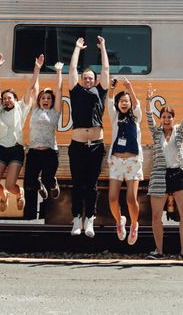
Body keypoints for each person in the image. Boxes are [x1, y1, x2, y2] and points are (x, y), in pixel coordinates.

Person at [146, 81, 183, 264]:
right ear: (161, 118)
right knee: (156, 215)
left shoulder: (178, 132)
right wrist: (148, 99)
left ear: (173, 118)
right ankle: (159, 250)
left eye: (169, 116)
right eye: (164, 116)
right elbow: (148, 116)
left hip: (179, 173)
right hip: (160, 175)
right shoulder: (155, 132)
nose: (166, 119)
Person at [67, 36, 111, 237]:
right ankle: (77, 218)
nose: (87, 79)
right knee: (78, 183)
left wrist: (102, 48)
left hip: (95, 145)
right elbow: (72, 70)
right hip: (77, 144)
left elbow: (106, 70)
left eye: (90, 78)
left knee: (92, 184)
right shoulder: (75, 91)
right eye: (84, 77)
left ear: (95, 80)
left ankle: (90, 218)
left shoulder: (100, 91)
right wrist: (76, 48)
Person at [0, 53, 34, 211]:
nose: (6, 100)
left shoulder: (22, 108)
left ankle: (19, 192)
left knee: (10, 184)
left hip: (16, 149)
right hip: (1, 149)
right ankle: (3, 196)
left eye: (10, 98)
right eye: (4, 98)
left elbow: (30, 87)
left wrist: (37, 68)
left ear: (15, 99)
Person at [23, 59, 65, 221]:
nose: (45, 100)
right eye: (43, 97)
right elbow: (34, 87)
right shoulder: (34, 110)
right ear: (39, 100)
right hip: (34, 151)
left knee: (48, 178)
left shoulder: (55, 112)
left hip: (50, 152)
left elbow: (59, 91)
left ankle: (52, 183)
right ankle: (40, 185)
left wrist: (59, 72)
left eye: (48, 98)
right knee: (29, 181)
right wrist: (37, 68)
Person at [107, 78, 143, 244]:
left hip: (133, 162)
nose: (124, 103)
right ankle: (119, 222)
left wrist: (130, 88)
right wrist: (112, 88)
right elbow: (108, 101)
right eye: (121, 101)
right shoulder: (114, 117)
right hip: (116, 161)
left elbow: (137, 106)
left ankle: (134, 225)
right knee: (113, 198)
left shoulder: (136, 117)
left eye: (126, 101)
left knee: (131, 199)